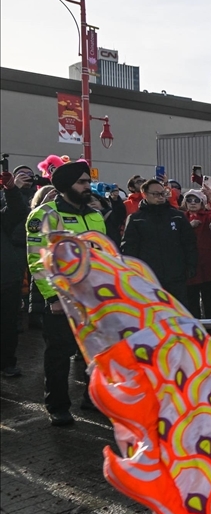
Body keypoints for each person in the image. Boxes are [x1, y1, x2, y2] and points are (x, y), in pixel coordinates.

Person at [25, 161, 105, 426]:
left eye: (87, 182)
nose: (87, 187)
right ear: (65, 185)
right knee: (59, 353)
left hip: (92, 296)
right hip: (62, 298)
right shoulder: (44, 214)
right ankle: (57, 406)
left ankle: (92, 397)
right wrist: (52, 297)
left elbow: (102, 257)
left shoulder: (94, 214)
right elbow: (37, 259)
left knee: (95, 352)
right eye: (82, 182)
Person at [121, 179, 198, 304]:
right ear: (144, 194)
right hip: (148, 278)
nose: (160, 197)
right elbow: (129, 248)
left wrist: (191, 265)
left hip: (176, 277)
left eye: (163, 193)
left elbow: (189, 243)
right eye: (156, 194)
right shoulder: (136, 219)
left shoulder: (177, 216)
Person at [1, 169, 31, 378]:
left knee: (8, 324)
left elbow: (18, 211)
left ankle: (7, 363)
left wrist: (11, 189)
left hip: (6, 279)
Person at [182, 188, 211, 319]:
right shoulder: (181, 218)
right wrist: (189, 227)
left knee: (209, 300)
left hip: (207, 264)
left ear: (202, 203)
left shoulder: (208, 216)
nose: (193, 203)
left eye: (196, 200)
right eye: (189, 200)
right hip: (189, 265)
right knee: (192, 301)